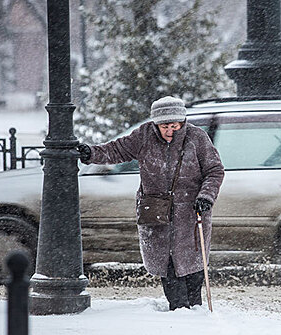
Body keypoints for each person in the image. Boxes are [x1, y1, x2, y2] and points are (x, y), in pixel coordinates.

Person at [77, 96, 224, 310]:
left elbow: (214, 171)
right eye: (165, 126)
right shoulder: (144, 135)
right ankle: (180, 313)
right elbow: (116, 150)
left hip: (191, 213)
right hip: (156, 213)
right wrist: (91, 153)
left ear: (182, 122)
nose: (170, 131)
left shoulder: (197, 138)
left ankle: (195, 313)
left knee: (192, 266)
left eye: (175, 126)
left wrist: (206, 196)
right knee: (168, 266)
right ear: (156, 124)